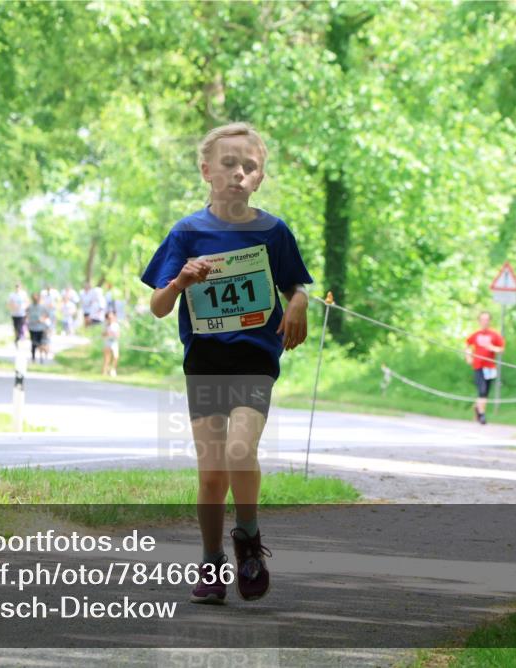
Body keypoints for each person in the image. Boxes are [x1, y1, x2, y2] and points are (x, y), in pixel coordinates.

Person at [142, 122, 312, 605]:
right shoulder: (187, 232)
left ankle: (250, 541)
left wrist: (299, 301)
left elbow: (295, 283)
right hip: (205, 361)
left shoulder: (273, 231)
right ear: (206, 171)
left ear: (260, 177)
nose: (238, 173)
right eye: (228, 164)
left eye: (250, 166)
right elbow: (158, 305)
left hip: (256, 358)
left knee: (240, 450)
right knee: (212, 471)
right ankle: (212, 559)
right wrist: (180, 282)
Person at [465, 311, 505, 425]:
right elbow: (467, 345)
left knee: (485, 393)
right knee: (481, 390)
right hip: (478, 366)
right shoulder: (475, 335)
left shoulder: (494, 335)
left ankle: (478, 408)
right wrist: (468, 357)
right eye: (482, 319)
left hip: (490, 367)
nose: (484, 322)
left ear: (490, 321)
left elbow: (501, 349)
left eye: (487, 320)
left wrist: (492, 348)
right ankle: (482, 415)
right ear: (479, 321)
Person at [26, 292, 50, 363]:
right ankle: (33, 358)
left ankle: (41, 357)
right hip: (32, 327)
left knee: (40, 343)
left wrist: (42, 319)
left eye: (36, 298)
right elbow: (26, 313)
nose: (35, 299)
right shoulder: (30, 306)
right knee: (33, 343)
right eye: (34, 298)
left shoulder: (42, 307)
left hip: (40, 328)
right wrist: (28, 319)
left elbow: (47, 315)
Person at [101, 310, 120, 377]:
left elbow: (118, 334)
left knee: (116, 356)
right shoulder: (105, 325)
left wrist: (114, 335)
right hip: (107, 342)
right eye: (109, 318)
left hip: (114, 342)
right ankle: (104, 371)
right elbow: (102, 335)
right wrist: (107, 333)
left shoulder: (116, 325)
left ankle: (113, 370)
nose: (111, 319)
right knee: (107, 358)